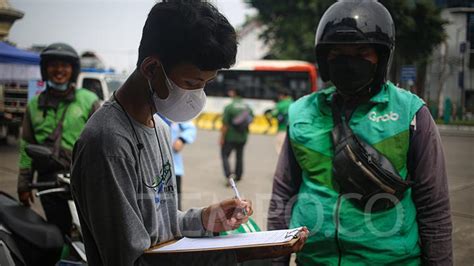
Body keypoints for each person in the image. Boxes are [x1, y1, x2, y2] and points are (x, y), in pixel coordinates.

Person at [70, 2, 307, 265]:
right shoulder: (108, 143)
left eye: (205, 84)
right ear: (151, 69)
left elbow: (164, 228)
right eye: (192, 83)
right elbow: (130, 259)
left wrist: (206, 218)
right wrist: (233, 255)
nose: (198, 95)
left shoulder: (159, 127)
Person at [267, 1, 452, 265]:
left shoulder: (410, 113)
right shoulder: (302, 113)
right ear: (325, 59)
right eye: (338, 53)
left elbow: (434, 208)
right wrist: (274, 259)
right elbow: (283, 196)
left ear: (380, 57)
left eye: (361, 52)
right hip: (314, 260)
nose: (349, 62)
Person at [17, 43, 100, 236]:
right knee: (57, 233)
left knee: (91, 234)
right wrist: (23, 183)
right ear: (45, 69)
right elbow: (26, 146)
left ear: (73, 70)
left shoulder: (88, 100)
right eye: (53, 65)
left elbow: (101, 143)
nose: (59, 70)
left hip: (82, 179)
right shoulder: (34, 105)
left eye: (65, 65)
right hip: (48, 181)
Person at [220, 87, 254, 182]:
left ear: (234, 93)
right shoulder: (248, 107)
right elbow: (250, 120)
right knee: (239, 156)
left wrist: (222, 138)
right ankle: (238, 175)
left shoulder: (229, 107)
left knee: (225, 155)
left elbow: (225, 124)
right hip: (243, 136)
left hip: (230, 136)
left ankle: (229, 175)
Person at [171, 120, 197, 210]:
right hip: (150, 166)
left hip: (173, 167)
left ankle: (176, 222)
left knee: (174, 200)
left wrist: (181, 139)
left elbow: (191, 128)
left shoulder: (172, 114)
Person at [267, 87, 293, 154]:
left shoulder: (280, 105)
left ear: (282, 95)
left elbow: (271, 115)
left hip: (282, 130)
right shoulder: (294, 103)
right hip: (293, 132)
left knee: (280, 150)